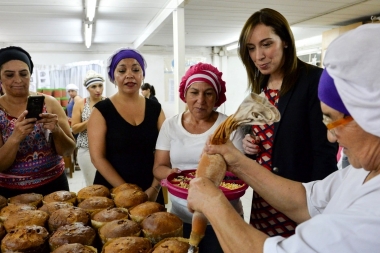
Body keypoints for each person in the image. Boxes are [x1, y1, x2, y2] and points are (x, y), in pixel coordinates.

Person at [187, 24, 380, 252]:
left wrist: (212, 203)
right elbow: (305, 200)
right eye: (251, 48)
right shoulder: (360, 172)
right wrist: (236, 161)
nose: (330, 136)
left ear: (370, 116)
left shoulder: (373, 212)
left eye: (333, 120)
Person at [237, 8, 338, 237]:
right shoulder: (261, 87)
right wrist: (250, 146)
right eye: (251, 48)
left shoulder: (314, 81)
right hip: (263, 201)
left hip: (298, 202)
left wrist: (317, 211)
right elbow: (270, 139)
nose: (258, 56)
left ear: (285, 42)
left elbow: (325, 153)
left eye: (266, 44)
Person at [153, 62, 244, 252]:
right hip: (181, 216)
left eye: (208, 93)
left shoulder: (228, 127)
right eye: (194, 92)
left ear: (217, 97)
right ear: (184, 94)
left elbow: (241, 172)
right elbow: (159, 167)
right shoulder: (170, 126)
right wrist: (171, 174)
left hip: (223, 217)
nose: (200, 100)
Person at [88, 48, 166, 203]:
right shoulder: (101, 111)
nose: (129, 75)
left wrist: (155, 188)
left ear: (142, 75)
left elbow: (164, 152)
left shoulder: (155, 109)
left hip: (149, 188)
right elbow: (98, 158)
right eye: (122, 70)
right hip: (113, 189)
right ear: (113, 76)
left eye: (136, 69)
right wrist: (126, 191)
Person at [0, 46, 76, 198]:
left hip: (54, 186)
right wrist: (15, 137)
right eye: (9, 75)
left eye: (24, 73)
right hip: (12, 193)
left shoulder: (50, 103)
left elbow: (68, 150)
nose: (18, 80)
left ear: (30, 75)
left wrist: (57, 131)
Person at [71, 70, 106, 186]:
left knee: (108, 185)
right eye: (94, 86)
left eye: (100, 85)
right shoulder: (81, 103)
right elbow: (74, 128)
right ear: (87, 89)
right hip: (86, 150)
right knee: (92, 185)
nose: (98, 90)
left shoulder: (109, 102)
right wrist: (91, 120)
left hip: (107, 149)